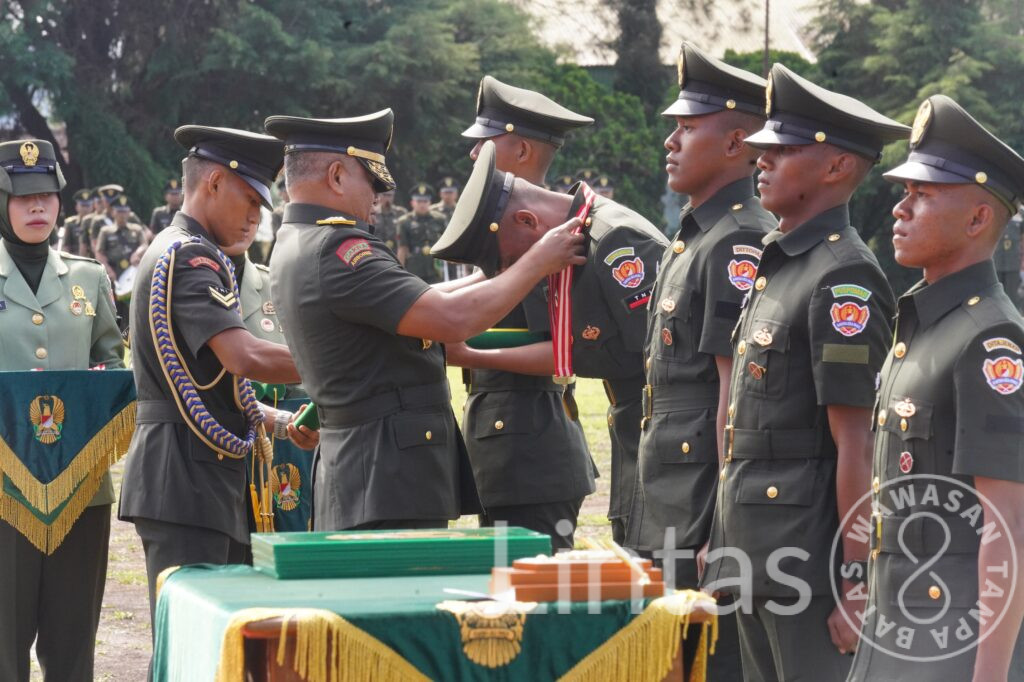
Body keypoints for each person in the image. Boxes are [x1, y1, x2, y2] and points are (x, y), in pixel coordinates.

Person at [264, 109, 586, 532]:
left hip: (369, 472)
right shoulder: (340, 250)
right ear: (337, 176)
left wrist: (500, 271)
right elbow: (451, 319)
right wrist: (538, 261)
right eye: (372, 182)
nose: (377, 198)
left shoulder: (301, 240)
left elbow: (419, 301)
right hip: (387, 478)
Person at [699, 63, 908, 681]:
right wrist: (723, 537)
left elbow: (856, 442)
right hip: (755, 547)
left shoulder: (843, 277)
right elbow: (743, 430)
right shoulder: (780, 260)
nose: (761, 160)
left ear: (836, 167)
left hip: (809, 562)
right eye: (763, 148)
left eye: (783, 150)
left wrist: (856, 580)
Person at [844, 95, 1024, 682]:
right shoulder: (922, 325)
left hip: (951, 648)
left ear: (977, 219)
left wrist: (989, 677)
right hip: (896, 631)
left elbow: (1008, 526)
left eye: (922, 195)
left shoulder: (990, 339)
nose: (901, 209)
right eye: (905, 192)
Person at [117, 125, 314, 646]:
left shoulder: (185, 250)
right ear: (213, 183)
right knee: (190, 647)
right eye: (249, 199)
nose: (255, 217)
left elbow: (209, 381)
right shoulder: (193, 257)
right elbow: (243, 356)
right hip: (184, 478)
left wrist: (276, 421)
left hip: (194, 474)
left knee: (211, 647)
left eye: (261, 206)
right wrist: (343, 363)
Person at [620, 42, 776, 680]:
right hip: (669, 497)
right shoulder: (696, 236)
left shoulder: (738, 238)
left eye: (687, 128)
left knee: (709, 665)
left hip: (700, 507)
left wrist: (722, 524)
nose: (670, 141)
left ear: (737, 142)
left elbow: (734, 397)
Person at [434, 140, 668, 549]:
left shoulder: (613, 239)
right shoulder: (575, 237)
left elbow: (660, 361)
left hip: (659, 440)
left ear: (526, 221)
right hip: (635, 431)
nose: (513, 274)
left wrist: (472, 354)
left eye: (507, 261)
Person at [453, 75, 597, 548]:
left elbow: (564, 351)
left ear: (520, 150)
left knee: (534, 586)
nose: (473, 154)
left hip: (531, 453)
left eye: (485, 143)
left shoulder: (542, 233)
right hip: (509, 448)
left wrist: (470, 354)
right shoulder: (512, 227)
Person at [0, 139, 123, 682]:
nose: (37, 207)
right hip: (4, 488)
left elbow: (112, 360)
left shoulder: (88, 277)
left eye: (47, 196)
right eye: (23, 197)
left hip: (79, 486)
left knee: (73, 644)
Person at [94, 195, 148, 330]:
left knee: (135, 307)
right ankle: (116, 335)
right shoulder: (106, 231)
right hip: (114, 276)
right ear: (113, 212)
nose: (122, 215)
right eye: (119, 211)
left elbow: (145, 244)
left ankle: (134, 333)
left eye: (124, 211)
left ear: (129, 213)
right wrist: (108, 270)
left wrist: (137, 254)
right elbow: (99, 253)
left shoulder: (136, 229)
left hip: (132, 275)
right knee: (114, 310)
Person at [397, 183, 447, 283]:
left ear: (430, 202)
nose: (422, 204)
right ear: (412, 203)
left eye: (425, 201)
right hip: (414, 269)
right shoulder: (405, 221)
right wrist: (400, 273)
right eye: (419, 201)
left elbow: (446, 242)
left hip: (435, 268)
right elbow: (402, 248)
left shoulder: (439, 219)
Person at [373, 187, 407, 263]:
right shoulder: (373, 212)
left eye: (390, 195)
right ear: (379, 196)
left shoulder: (401, 213)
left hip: (396, 255)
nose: (387, 198)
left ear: (393, 196)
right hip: (377, 254)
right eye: (385, 195)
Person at [58, 188, 94, 256]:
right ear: (77, 207)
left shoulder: (97, 223)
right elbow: (66, 246)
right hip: (75, 257)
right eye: (83, 205)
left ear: (92, 206)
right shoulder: (70, 223)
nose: (85, 209)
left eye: (88, 205)